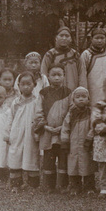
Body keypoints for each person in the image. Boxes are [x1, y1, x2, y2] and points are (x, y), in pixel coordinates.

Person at [34, 64, 73, 193]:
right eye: (53, 75)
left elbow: (71, 111)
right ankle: (48, 186)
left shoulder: (68, 92)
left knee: (63, 158)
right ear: (48, 77)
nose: (56, 78)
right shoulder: (43, 93)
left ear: (64, 76)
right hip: (48, 132)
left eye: (59, 75)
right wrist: (45, 126)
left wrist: (64, 127)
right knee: (48, 158)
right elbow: (39, 111)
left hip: (63, 132)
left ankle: (62, 185)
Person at [4, 71, 41, 193]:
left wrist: (37, 132)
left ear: (34, 85)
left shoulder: (37, 101)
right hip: (17, 132)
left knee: (31, 155)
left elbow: (39, 117)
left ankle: (33, 185)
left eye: (29, 84)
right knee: (15, 155)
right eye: (23, 84)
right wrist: (8, 133)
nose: (26, 86)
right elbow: (11, 118)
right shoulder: (15, 102)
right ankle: (16, 184)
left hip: (30, 133)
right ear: (18, 85)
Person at [60, 87, 97, 196]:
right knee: (73, 166)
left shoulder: (91, 112)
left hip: (86, 144)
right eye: (78, 97)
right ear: (73, 99)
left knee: (88, 165)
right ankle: (75, 187)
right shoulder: (71, 113)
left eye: (84, 97)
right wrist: (65, 142)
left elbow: (93, 126)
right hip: (73, 145)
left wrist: (90, 138)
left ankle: (89, 187)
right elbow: (65, 127)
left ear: (88, 99)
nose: (81, 99)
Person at [79, 28, 106, 105]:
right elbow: (82, 76)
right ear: (91, 39)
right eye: (97, 38)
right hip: (93, 91)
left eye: (102, 38)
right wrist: (84, 94)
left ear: (105, 39)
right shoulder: (86, 54)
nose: (99, 41)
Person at [40, 26, 82, 91]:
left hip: (73, 91)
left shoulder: (75, 55)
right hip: (55, 91)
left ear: (71, 39)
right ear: (56, 38)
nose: (64, 38)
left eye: (67, 36)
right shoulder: (50, 54)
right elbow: (44, 74)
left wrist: (82, 90)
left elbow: (82, 74)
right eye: (61, 35)